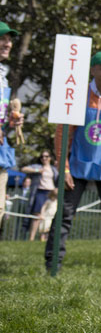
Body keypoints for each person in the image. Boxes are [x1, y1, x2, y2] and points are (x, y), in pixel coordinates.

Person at [46, 51, 101, 274]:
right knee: (64, 215)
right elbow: (62, 133)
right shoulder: (76, 95)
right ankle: (52, 263)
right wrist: (63, 167)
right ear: (93, 70)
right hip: (76, 167)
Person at [0, 21, 24, 229]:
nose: (7, 44)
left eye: (9, 40)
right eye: (2, 38)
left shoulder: (3, 77)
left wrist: (10, 123)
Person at [21, 151, 58, 241]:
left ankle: (44, 238)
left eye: (46, 156)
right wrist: (37, 171)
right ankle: (32, 238)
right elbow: (23, 169)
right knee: (37, 215)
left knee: (49, 215)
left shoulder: (54, 169)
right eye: (42, 156)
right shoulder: (38, 167)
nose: (44, 158)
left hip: (51, 193)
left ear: (50, 158)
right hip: (40, 192)